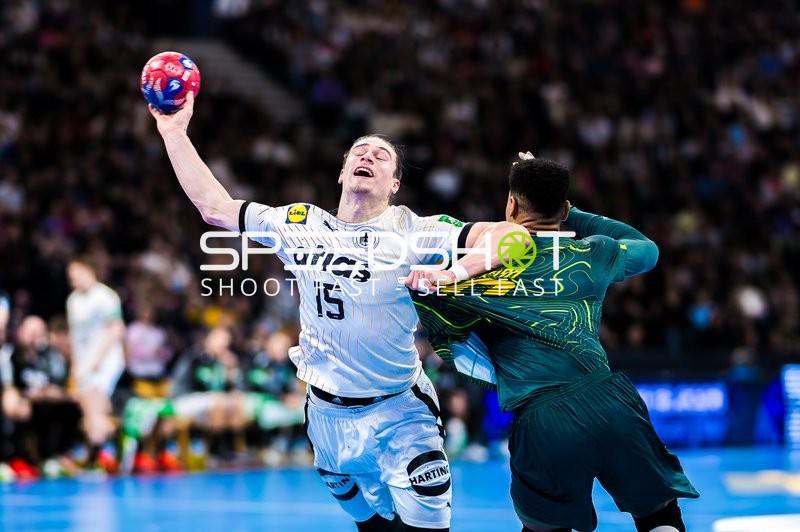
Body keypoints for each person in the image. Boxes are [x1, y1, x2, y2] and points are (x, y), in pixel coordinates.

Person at [149, 91, 524, 531]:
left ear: (394, 184)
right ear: (343, 172)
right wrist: (173, 133)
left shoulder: (414, 230)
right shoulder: (301, 223)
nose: (368, 156)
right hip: (326, 417)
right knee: (371, 526)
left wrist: (454, 271)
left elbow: (509, 238)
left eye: (381, 156)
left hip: (400, 415)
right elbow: (214, 208)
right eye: (359, 151)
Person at [409, 156, 699, 532]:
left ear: (510, 206)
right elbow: (647, 249)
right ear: (563, 209)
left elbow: (429, 303)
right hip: (611, 402)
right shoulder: (592, 252)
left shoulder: (473, 271)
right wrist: (572, 214)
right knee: (659, 515)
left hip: (542, 419)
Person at [66, 258, 126, 472]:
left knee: (94, 404)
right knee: (92, 410)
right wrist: (75, 366)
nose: (73, 279)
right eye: (70, 277)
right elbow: (74, 337)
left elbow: (116, 329)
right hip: (84, 363)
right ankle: (106, 449)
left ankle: (102, 454)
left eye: (76, 274)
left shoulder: (106, 296)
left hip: (106, 360)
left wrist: (97, 360)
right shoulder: (72, 301)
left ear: (89, 270)